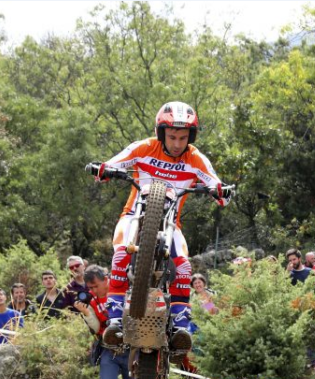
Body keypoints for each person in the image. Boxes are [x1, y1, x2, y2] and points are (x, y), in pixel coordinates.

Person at [95, 102, 230, 363]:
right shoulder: (144, 147)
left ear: (190, 137)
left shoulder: (196, 158)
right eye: (172, 137)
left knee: (183, 267)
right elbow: (113, 163)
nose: (177, 143)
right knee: (121, 254)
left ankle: (181, 325)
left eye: (183, 138)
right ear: (161, 134)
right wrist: (103, 169)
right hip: (134, 216)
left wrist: (222, 192)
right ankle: (114, 320)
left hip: (171, 224)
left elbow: (218, 186)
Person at [75, 265, 132, 379]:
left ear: (106, 279)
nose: (94, 290)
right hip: (108, 348)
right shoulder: (91, 300)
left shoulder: (121, 290)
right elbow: (95, 328)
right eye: (90, 288)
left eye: (96, 286)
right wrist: (86, 313)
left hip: (131, 347)